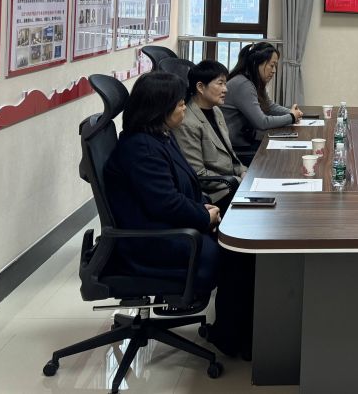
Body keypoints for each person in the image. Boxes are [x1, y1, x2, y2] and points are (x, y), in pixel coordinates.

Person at [104, 72, 255, 359]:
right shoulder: (141, 148)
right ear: (159, 108)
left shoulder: (160, 136)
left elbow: (183, 186)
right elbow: (165, 203)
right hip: (151, 241)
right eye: (180, 103)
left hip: (167, 226)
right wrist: (204, 217)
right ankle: (233, 339)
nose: (185, 107)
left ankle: (234, 331)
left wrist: (204, 206)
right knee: (239, 255)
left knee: (241, 249)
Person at [173, 60, 246, 212]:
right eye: (220, 83)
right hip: (214, 194)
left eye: (225, 83)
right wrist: (237, 180)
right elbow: (198, 175)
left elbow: (229, 153)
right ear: (200, 87)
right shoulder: (187, 122)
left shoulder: (216, 110)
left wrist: (242, 171)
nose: (225, 89)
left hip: (232, 181)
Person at [221, 43, 303, 163]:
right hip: (237, 150)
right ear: (256, 63)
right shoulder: (243, 84)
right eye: (271, 65)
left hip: (247, 141)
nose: (274, 71)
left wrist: (293, 113)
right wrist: (291, 117)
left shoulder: (253, 81)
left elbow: (269, 106)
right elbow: (262, 122)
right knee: (283, 157)